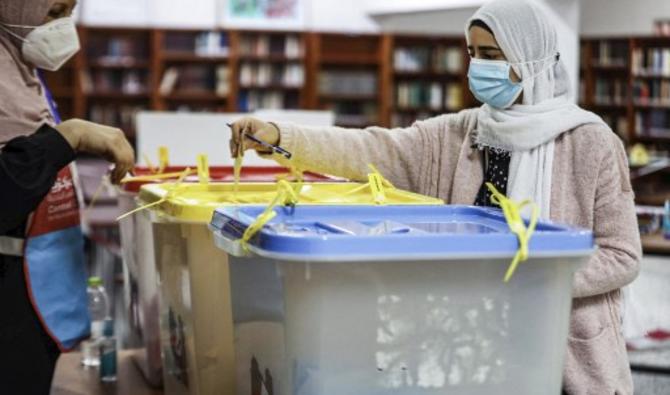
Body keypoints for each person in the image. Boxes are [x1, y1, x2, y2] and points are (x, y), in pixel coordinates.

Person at [229, 0, 641, 393]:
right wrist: (281, 137)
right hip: (467, 355)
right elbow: (370, 149)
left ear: (529, 58)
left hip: (563, 359)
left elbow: (621, 254)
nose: (478, 66)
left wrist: (536, 281)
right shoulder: (457, 134)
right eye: (473, 53)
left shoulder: (591, 143)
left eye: (493, 54)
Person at [0, 1, 134, 393]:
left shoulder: (19, 73)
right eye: (53, 11)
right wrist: (67, 138)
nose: (63, 27)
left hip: (32, 293)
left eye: (69, 11)